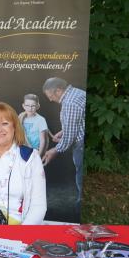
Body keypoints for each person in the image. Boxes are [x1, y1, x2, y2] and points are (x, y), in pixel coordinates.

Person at [42, 77, 86, 205]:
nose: (50, 99)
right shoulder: (78, 93)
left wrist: (55, 149)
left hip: (81, 144)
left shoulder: (69, 103)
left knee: (80, 172)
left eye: (50, 95)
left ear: (59, 90)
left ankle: (81, 204)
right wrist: (63, 131)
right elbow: (78, 121)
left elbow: (71, 134)